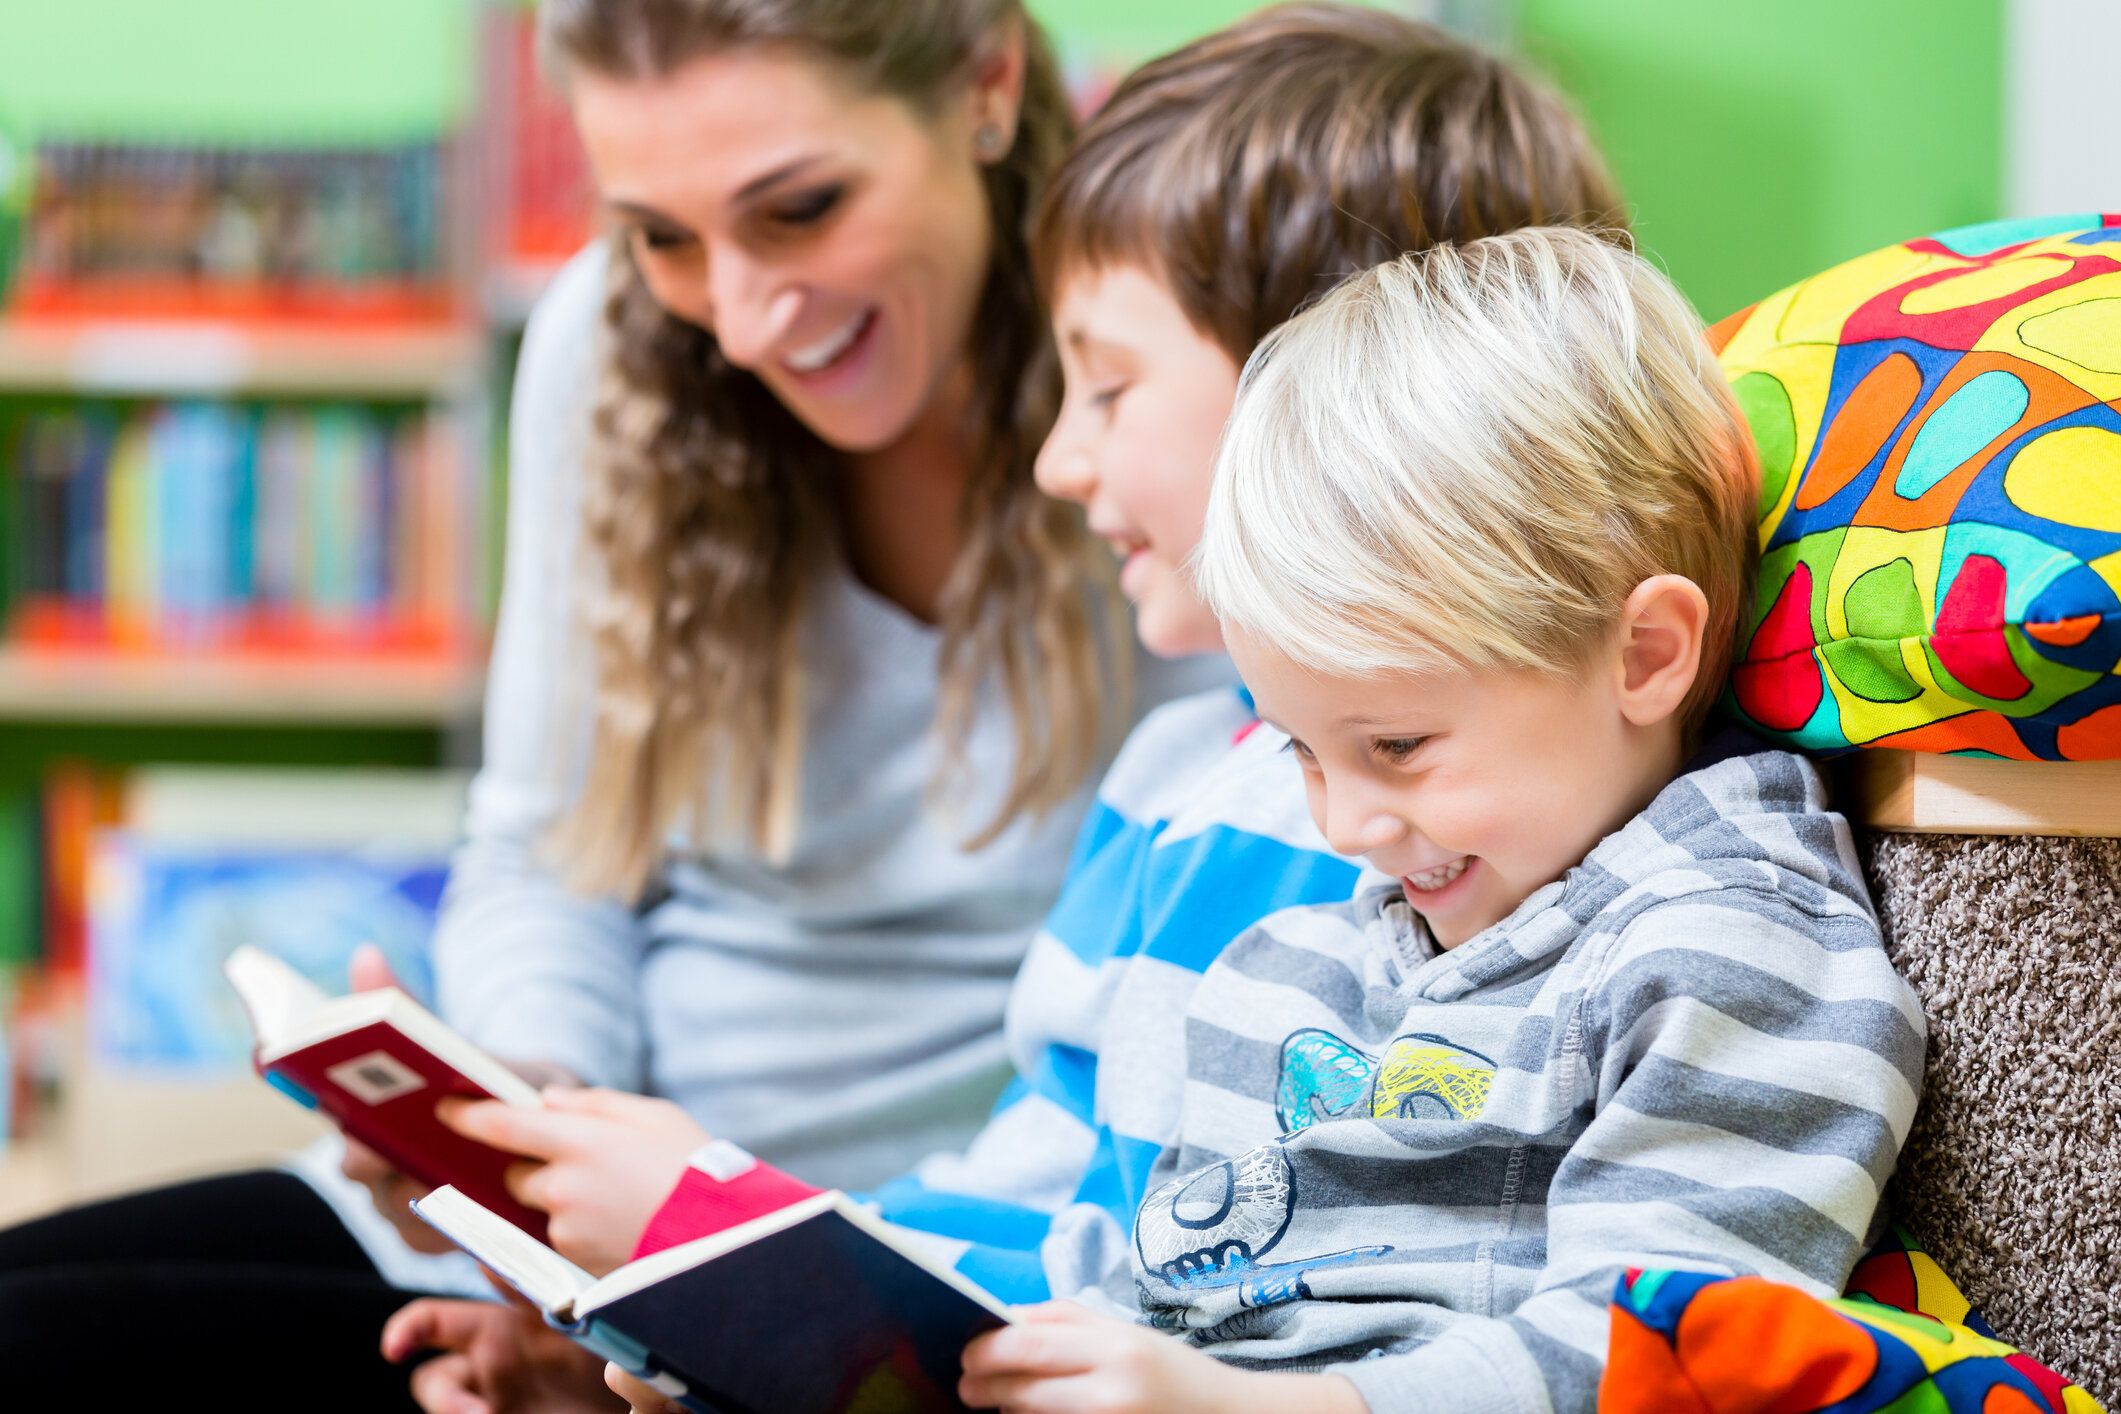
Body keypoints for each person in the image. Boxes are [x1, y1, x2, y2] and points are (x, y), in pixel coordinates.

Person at [388, 9, 1630, 1410]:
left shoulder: (1550, 850)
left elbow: (1264, 1299)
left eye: (1102, 387)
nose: (1056, 456)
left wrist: (709, 1240)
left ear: (1338, 395)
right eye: (664, 237)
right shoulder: (1183, 788)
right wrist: (685, 1317)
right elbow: (1044, 1222)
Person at [0, 1, 1211, 1405]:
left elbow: (1203, 984)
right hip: (593, 1227)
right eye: (664, 233)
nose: (747, 317)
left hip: (916, 1260)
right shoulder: (615, 340)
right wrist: (519, 1099)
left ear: (989, 85)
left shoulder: (1161, 395)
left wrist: (711, 1266)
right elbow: (549, 850)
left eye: (802, 208)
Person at [944, 230, 1926, 1412]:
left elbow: (1669, 1355)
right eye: (1302, 748)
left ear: (1646, 655)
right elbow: (1170, 1292)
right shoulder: (1292, 964)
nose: (1345, 821)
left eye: (1397, 746)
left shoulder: (1734, 954)